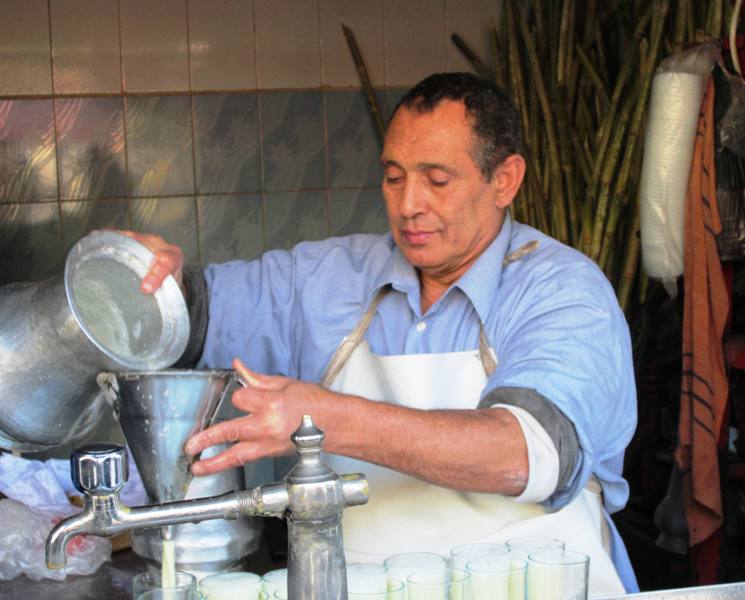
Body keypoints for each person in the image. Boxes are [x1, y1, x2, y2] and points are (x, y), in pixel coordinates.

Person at [126, 72, 637, 595]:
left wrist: (322, 418)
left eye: (437, 180)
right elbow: (191, 317)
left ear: (505, 179)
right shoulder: (328, 278)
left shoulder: (562, 290)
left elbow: (528, 455)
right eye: (394, 177)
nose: (409, 203)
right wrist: (148, 277)